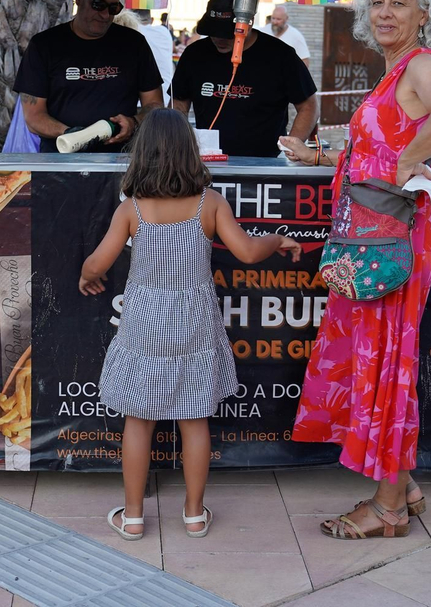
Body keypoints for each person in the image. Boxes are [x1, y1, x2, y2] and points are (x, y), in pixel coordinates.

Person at [280, 0, 431, 540]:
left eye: (398, 3)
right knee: (382, 362)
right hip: (368, 239)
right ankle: (403, 485)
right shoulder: (393, 73)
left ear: (423, 15)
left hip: (390, 240)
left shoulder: (421, 65)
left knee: (388, 366)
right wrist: (319, 158)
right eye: (377, 3)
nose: (385, 12)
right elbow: (373, 152)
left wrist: (412, 160)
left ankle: (386, 507)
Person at [80, 109, 301, 540]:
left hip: (145, 321)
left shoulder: (132, 210)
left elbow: (99, 261)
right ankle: (194, 514)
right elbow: (249, 253)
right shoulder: (209, 204)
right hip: (193, 321)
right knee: (194, 418)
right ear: (190, 153)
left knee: (138, 420)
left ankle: (133, 516)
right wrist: (277, 238)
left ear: (141, 156)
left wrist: (88, 274)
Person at [14, 0, 163, 152]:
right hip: (60, 162)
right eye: (98, 5)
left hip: (120, 161)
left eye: (113, 8)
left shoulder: (134, 43)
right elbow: (33, 117)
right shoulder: (44, 45)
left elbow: (154, 105)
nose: (105, 15)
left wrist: (134, 122)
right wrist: (73, 134)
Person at [171, 0, 317, 158]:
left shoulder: (280, 55)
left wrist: (291, 149)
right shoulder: (194, 53)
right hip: (205, 161)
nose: (219, 38)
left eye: (227, 33)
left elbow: (308, 106)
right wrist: (177, 144)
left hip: (265, 164)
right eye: (213, 31)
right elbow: (178, 103)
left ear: (248, 23)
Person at [132, 8, 175, 97]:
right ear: (151, 20)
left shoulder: (132, 32)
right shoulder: (164, 31)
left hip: (140, 100)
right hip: (166, 95)